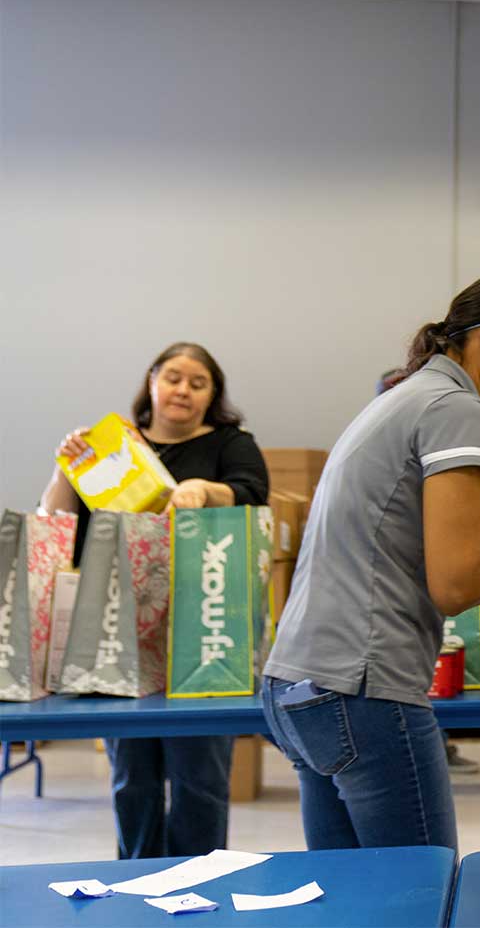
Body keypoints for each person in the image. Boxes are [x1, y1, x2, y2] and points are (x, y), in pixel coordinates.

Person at [263, 272, 480, 849]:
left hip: (296, 682)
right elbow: (454, 585)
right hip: (363, 689)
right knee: (420, 890)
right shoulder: (453, 406)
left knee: (353, 897)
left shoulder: (404, 396)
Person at [39, 342, 269, 859]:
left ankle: (198, 884)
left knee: (200, 779)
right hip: (123, 631)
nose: (182, 390)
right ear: (151, 383)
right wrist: (65, 469)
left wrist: (203, 491)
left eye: (197, 382)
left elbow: (253, 492)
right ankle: (136, 883)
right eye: (173, 377)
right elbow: (58, 525)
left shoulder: (231, 444)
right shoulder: (114, 447)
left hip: (206, 628)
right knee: (132, 779)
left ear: (213, 395)